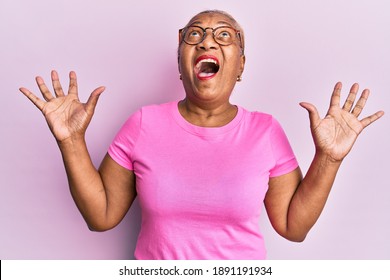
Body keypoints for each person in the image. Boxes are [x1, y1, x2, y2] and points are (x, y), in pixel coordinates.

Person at [19, 10, 384, 260]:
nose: (207, 42)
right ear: (181, 62)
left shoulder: (266, 131)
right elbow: (101, 216)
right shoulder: (144, 123)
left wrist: (329, 158)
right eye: (195, 35)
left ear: (240, 65)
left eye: (224, 35)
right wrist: (70, 141)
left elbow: (293, 226)